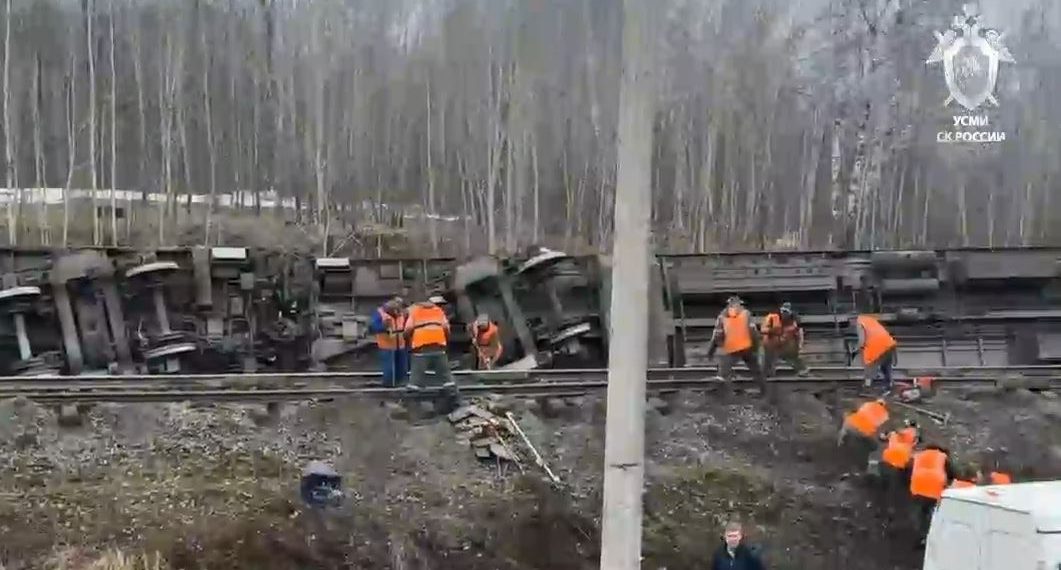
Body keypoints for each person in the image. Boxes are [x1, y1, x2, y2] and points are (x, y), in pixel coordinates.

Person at [708, 296, 766, 397]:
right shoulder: (746, 314)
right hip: (746, 347)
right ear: (740, 304)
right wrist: (756, 347)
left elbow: (717, 335)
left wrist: (711, 351)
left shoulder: (722, 316)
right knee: (756, 370)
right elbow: (753, 331)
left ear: (728, 304)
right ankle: (764, 392)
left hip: (732, 348)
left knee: (723, 371)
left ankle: (717, 393)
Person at [404, 293, 455, 392]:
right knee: (443, 369)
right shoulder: (439, 312)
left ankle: (414, 388)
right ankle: (449, 386)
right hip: (438, 344)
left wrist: (407, 340)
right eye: (440, 304)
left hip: (421, 344)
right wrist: (445, 340)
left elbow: (408, 329)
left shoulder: (415, 311)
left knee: (418, 368)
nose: (442, 306)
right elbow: (446, 328)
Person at [909, 444, 958, 544]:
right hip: (935, 488)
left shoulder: (919, 455)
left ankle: (920, 534)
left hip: (918, 486)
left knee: (920, 513)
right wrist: (947, 484)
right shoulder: (943, 457)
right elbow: (952, 473)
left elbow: (909, 467)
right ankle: (930, 535)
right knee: (932, 513)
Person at [760, 302, 809, 378]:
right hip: (771, 342)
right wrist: (772, 331)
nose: (784, 314)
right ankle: (767, 374)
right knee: (768, 359)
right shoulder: (772, 317)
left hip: (784, 342)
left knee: (790, 356)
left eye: (786, 312)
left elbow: (799, 332)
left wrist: (800, 345)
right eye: (783, 312)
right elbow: (763, 329)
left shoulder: (793, 320)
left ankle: (803, 370)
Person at [368, 297, 408, 387]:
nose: (398, 306)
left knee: (402, 367)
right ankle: (389, 385)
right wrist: (384, 327)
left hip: (400, 344)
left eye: (400, 304)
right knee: (389, 368)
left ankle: (401, 384)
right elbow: (373, 328)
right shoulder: (379, 313)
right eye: (396, 303)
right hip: (387, 345)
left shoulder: (401, 313)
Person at [879, 420, 918, 509]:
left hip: (886, 461)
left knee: (884, 485)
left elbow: (882, 437)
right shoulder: (913, 435)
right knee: (894, 489)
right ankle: (891, 507)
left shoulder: (894, 434)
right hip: (899, 465)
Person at [851, 314, 898, 389]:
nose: (851, 324)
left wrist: (855, 350)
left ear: (853, 319)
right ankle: (890, 384)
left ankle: (867, 385)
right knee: (886, 365)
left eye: (850, 322)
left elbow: (862, 340)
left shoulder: (860, 323)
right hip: (889, 343)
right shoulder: (869, 320)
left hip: (878, 346)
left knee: (869, 365)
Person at [837, 398, 889, 463]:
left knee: (844, 429)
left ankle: (839, 444)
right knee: (874, 446)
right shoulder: (885, 415)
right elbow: (881, 431)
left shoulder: (866, 405)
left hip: (849, 424)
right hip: (863, 433)